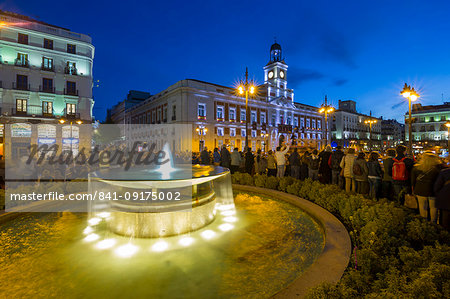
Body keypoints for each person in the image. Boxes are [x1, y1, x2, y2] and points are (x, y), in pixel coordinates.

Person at [411, 152, 444, 223]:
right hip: (433, 191)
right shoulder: (439, 168)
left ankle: (424, 223)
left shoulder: (417, 167)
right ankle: (433, 223)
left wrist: (413, 189)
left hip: (420, 190)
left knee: (422, 207)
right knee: (434, 208)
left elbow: (413, 181)